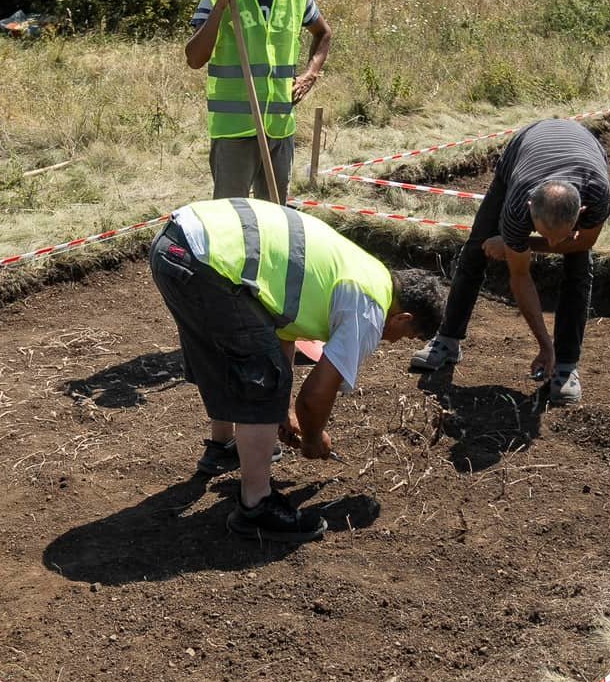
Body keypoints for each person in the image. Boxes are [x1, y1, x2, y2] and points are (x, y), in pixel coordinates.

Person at [150, 199, 446, 540]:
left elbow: (279, 337)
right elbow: (315, 396)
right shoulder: (370, 306)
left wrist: (282, 411)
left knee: (236, 359)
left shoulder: (365, 270)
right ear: (404, 318)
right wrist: (311, 438)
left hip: (177, 245)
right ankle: (256, 507)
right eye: (405, 336)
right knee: (259, 382)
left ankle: (225, 446)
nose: (393, 343)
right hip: (208, 263)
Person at [407, 119, 610, 407]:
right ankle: (448, 339)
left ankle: (566, 366)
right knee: (477, 249)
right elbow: (520, 275)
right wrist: (544, 344)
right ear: (530, 210)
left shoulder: (597, 195)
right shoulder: (517, 204)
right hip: (525, 149)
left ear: (582, 213)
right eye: (543, 234)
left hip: (584, 150)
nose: (553, 246)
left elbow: (585, 242)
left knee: (579, 269)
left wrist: (518, 244)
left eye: (561, 236)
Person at [184, 0, 333, 200]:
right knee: (232, 214)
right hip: (234, 129)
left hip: (279, 125)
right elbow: (194, 58)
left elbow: (323, 34)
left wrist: (310, 74)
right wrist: (219, 9)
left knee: (275, 215)